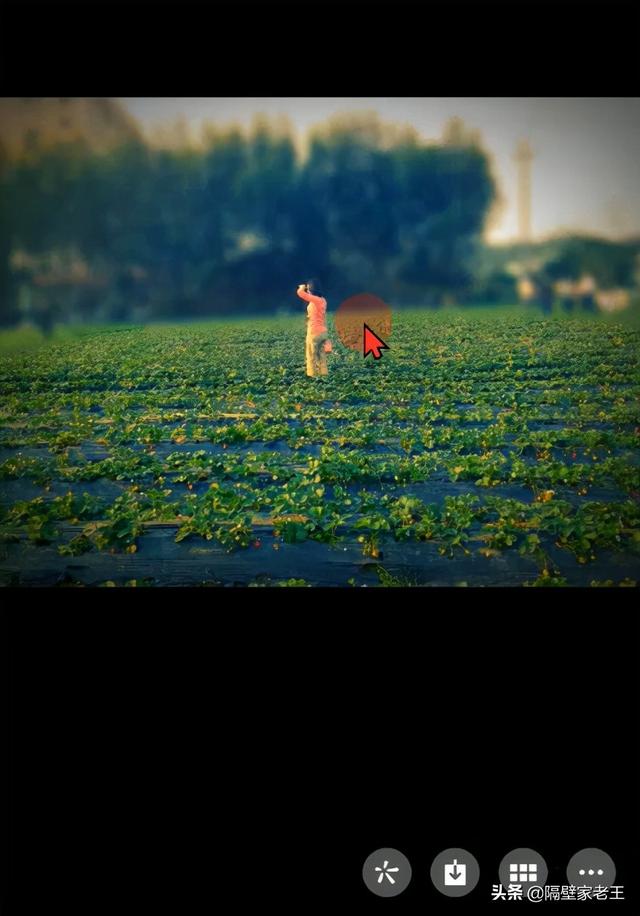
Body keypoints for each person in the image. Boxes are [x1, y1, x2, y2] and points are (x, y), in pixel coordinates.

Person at [297, 279, 330, 377]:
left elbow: (301, 294)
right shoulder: (323, 300)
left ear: (311, 289)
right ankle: (324, 376)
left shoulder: (315, 300)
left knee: (311, 357)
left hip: (314, 332)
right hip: (323, 332)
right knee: (321, 357)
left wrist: (302, 288)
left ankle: (312, 376)